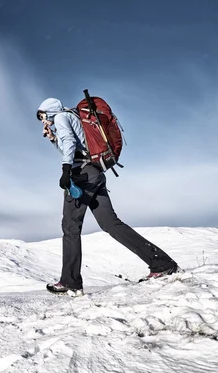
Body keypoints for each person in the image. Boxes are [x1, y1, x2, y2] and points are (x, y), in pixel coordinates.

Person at [36, 97, 181, 296]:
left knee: (70, 227)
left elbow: (70, 144)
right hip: (95, 173)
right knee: (111, 223)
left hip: (82, 175)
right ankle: (162, 263)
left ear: (49, 111)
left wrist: (66, 170)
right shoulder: (72, 116)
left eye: (42, 116)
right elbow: (74, 146)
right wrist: (53, 139)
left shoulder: (60, 117)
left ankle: (70, 282)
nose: (43, 120)